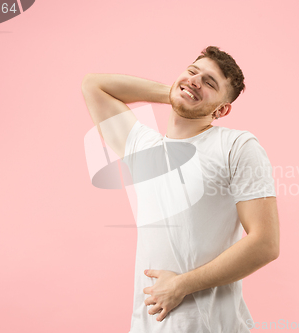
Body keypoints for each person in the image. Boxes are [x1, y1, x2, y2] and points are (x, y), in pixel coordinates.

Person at [81, 46, 280, 333]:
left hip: (211, 326)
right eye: (192, 72)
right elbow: (94, 84)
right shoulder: (141, 146)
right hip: (150, 325)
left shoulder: (237, 146)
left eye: (210, 83)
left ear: (222, 110)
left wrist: (181, 285)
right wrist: (178, 93)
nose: (196, 80)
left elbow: (265, 243)